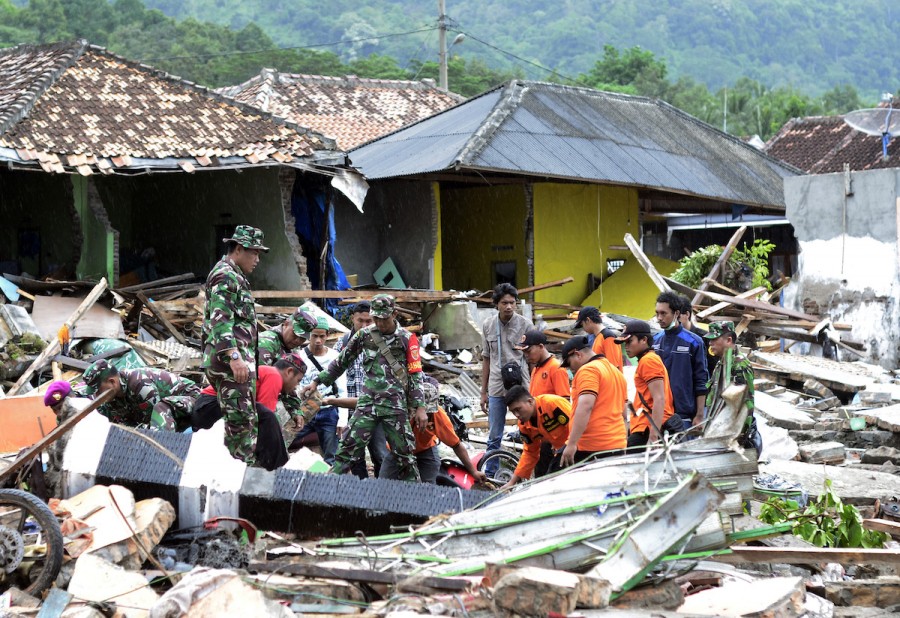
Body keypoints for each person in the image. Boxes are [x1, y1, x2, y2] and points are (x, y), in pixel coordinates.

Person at [303, 294, 427, 482]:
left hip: (395, 405)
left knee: (404, 456)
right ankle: (330, 491)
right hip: (368, 403)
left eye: (382, 318)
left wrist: (420, 406)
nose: (378, 322)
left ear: (394, 314)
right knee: (346, 449)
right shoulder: (365, 335)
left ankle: (415, 500)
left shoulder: (407, 339)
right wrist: (317, 382)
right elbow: (341, 362)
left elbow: (415, 373)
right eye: (375, 317)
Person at [202, 224, 268, 465]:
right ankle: (238, 487)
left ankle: (236, 481)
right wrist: (234, 357)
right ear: (239, 249)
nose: (257, 259)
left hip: (234, 364)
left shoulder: (233, 275)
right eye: (255, 253)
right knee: (241, 427)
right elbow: (220, 320)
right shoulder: (225, 275)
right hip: (230, 366)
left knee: (241, 423)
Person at [192, 353, 307, 470]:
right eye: (298, 381)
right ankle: (279, 469)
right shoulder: (274, 375)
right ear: (289, 372)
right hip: (211, 406)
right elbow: (266, 417)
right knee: (268, 417)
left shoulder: (266, 371)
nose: (296, 386)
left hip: (205, 409)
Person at [381, 377, 486, 484]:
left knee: (428, 489)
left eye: (429, 411)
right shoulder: (399, 409)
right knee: (383, 485)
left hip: (425, 450)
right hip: (397, 450)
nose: (426, 415)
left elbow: (456, 445)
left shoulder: (438, 416)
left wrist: (473, 472)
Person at [331, 301, 388, 479]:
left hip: (375, 409)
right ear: (352, 319)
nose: (364, 326)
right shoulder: (342, 344)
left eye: (368, 321)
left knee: (380, 453)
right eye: (360, 321)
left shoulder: (382, 344)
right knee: (354, 456)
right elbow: (334, 373)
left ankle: (382, 491)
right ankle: (361, 492)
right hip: (349, 409)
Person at [480, 283, 532, 472]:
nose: (509, 306)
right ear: (496, 304)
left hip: (521, 384)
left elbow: (532, 358)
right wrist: (483, 392)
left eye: (512, 303)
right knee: (494, 434)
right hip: (496, 384)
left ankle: (528, 470)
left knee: (528, 430)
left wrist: (534, 388)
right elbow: (486, 358)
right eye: (504, 303)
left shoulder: (526, 325)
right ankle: (490, 473)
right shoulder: (488, 325)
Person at [559, 335, 627, 466]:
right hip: (616, 444)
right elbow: (624, 413)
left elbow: (585, 406)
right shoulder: (616, 372)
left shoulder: (588, 370)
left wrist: (572, 443)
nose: (570, 368)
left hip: (592, 447)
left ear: (578, 355)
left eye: (569, 363)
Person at [83, 359, 200, 431]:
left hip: (192, 400)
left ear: (112, 382)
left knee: (161, 408)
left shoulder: (140, 384)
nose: (97, 395)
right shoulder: (111, 398)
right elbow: (124, 425)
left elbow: (151, 423)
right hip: (170, 417)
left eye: (99, 390)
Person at [615, 320, 681, 448]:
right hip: (645, 425)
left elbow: (659, 398)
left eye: (629, 341)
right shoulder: (647, 360)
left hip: (648, 427)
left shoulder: (648, 361)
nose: (626, 347)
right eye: (624, 343)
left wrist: (653, 436)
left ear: (644, 340)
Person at [293, 316, 347, 464]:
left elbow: (342, 389)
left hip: (328, 409)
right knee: (286, 442)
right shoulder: (299, 355)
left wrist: (342, 420)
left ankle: (329, 484)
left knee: (331, 456)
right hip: (305, 408)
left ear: (327, 335)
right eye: (314, 336)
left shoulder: (335, 357)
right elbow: (293, 385)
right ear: (309, 335)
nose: (318, 340)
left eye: (322, 336)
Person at [652, 291, 708, 431]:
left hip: (684, 416)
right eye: (657, 313)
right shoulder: (654, 341)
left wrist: (700, 415)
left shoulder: (694, 342)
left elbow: (701, 380)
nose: (659, 318)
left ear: (676, 313)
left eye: (664, 313)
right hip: (659, 413)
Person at [704, 321, 762, 451]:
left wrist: (738, 438)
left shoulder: (739, 366)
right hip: (719, 430)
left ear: (728, 340)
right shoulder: (722, 363)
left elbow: (744, 406)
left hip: (731, 437)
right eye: (709, 340)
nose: (710, 343)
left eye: (714, 339)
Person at [500, 385, 572, 488]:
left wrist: (570, 445)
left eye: (518, 409)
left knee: (553, 478)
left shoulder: (552, 404)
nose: (517, 415)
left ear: (530, 401)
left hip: (577, 444)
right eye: (513, 412)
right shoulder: (524, 425)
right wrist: (512, 482)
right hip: (559, 449)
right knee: (543, 478)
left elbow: (579, 425)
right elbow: (530, 452)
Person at [515, 330, 571, 398]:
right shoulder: (536, 368)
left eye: (528, 351)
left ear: (541, 346)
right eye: (524, 352)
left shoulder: (556, 367)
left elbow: (564, 400)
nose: (526, 355)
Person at [677, 297, 718, 376]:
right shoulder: (671, 338)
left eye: (677, 317)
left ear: (687, 314)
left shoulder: (705, 338)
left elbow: (713, 366)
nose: (674, 321)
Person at [575, 306, 624, 372]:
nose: (583, 328)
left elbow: (613, 367)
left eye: (582, 324)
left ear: (588, 320)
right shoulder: (598, 337)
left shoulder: (607, 337)